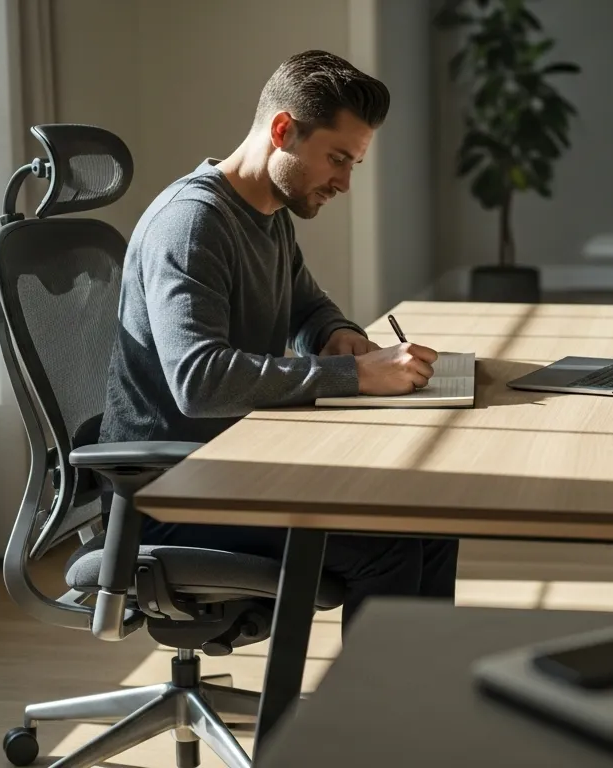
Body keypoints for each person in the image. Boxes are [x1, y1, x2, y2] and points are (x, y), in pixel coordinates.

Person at [98, 50, 458, 629]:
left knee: (430, 524)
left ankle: (413, 706)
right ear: (283, 130)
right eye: (336, 159)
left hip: (233, 470)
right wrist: (359, 375)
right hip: (169, 494)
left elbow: (306, 305)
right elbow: (201, 381)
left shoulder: (267, 213)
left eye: (353, 164)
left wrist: (337, 333)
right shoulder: (192, 225)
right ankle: (373, 715)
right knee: (387, 547)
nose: (343, 182)